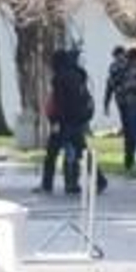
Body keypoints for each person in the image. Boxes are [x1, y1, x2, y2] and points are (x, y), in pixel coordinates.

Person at [38, 49, 99, 196]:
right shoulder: (79, 75)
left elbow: (60, 102)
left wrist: (56, 120)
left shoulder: (60, 78)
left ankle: (47, 184)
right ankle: (97, 180)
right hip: (77, 119)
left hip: (64, 121)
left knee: (52, 154)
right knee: (80, 151)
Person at [104, 47, 132, 168]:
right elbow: (110, 86)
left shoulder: (117, 67)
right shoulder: (126, 65)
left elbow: (110, 85)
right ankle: (129, 157)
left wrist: (106, 103)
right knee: (129, 129)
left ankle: (130, 157)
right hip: (126, 101)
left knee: (130, 129)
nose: (117, 59)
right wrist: (106, 103)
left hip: (127, 101)